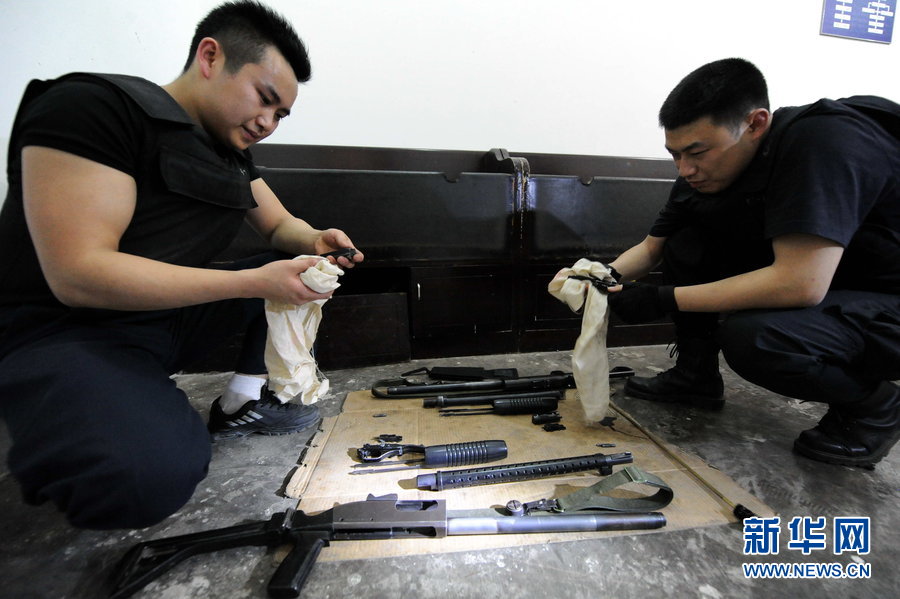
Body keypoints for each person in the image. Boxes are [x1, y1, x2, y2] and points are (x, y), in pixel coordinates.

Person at [0, 1, 363, 529]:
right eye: (264, 99)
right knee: (146, 477)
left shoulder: (228, 155)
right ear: (210, 57)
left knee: (295, 266)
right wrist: (248, 282)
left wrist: (316, 239)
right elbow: (78, 274)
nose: (268, 122)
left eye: (281, 114)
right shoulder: (92, 108)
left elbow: (279, 226)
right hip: (61, 333)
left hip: (154, 323)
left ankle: (240, 405)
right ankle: (67, 419)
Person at [603, 58, 899, 469]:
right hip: (839, 283)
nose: (685, 168)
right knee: (689, 237)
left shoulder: (824, 142)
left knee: (756, 338)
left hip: (887, 299)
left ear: (756, 124)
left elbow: (801, 284)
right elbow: (654, 247)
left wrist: (662, 299)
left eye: (696, 152)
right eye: (674, 154)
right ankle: (695, 376)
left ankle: (876, 407)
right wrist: (600, 277)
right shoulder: (709, 171)